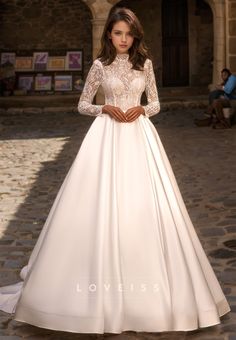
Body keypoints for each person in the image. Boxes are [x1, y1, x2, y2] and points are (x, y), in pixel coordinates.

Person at [0, 6, 231, 334]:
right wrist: (105, 107)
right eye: (118, 33)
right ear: (109, 34)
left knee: (145, 206)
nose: (124, 39)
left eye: (129, 33)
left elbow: (156, 104)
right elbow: (82, 105)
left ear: (135, 36)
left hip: (139, 137)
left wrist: (140, 109)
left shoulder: (145, 64)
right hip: (106, 137)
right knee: (98, 205)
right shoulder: (99, 66)